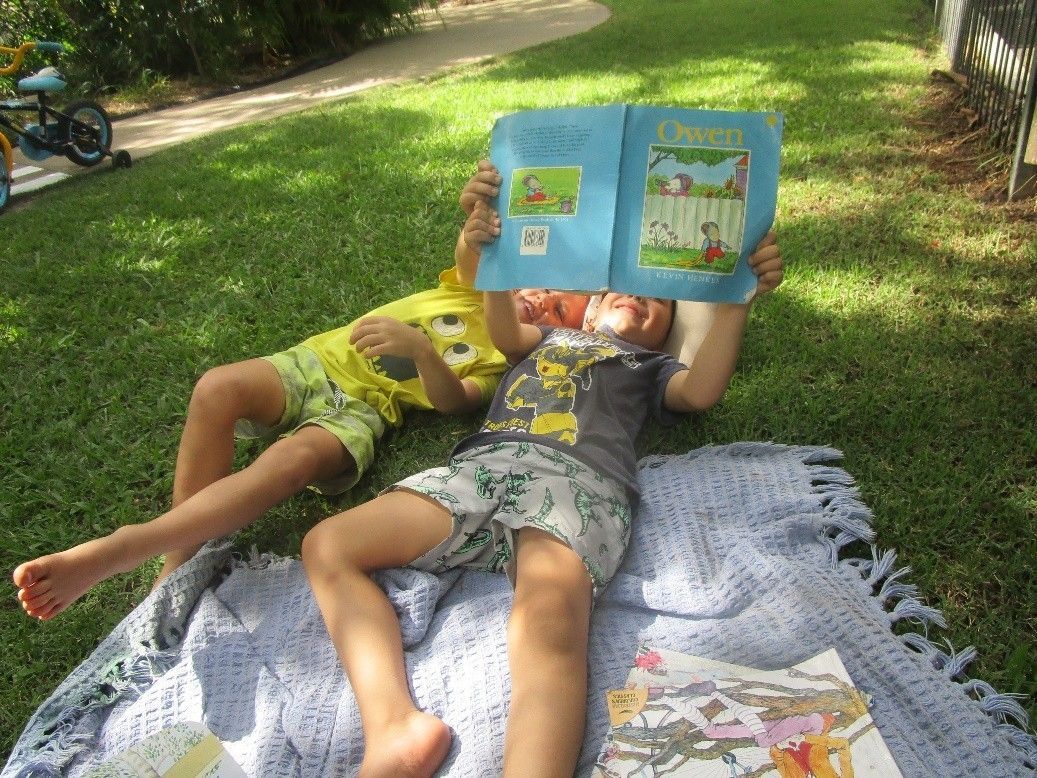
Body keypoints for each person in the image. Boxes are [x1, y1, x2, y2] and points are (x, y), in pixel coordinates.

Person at [301, 200, 783, 777]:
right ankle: (394, 726)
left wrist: (736, 302)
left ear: (664, 339)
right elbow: (503, 325)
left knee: (549, 618)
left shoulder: (647, 368)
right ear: (587, 310)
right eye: (617, 291)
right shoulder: (540, 342)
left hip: (577, 483)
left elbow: (701, 391)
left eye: (655, 303)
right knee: (329, 544)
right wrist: (491, 248)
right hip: (484, 468)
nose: (635, 297)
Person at [13, 163, 590, 621]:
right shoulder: (479, 289)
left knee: (289, 462)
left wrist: (420, 351)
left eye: (560, 309)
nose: (541, 299)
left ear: (558, 336)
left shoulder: (509, 361)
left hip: (365, 409)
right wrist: (479, 212)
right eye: (545, 286)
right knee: (217, 388)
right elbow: (473, 250)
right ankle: (174, 565)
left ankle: (125, 547)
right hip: (317, 361)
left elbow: (452, 402)